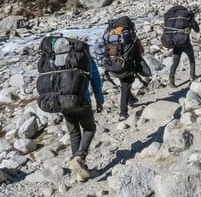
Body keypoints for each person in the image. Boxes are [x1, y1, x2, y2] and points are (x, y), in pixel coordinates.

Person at [36, 36, 104, 182]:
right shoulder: (83, 57)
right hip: (81, 100)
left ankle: (80, 171)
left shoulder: (54, 60)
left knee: (74, 134)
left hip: (62, 102)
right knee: (90, 128)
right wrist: (100, 101)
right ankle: (80, 157)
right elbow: (95, 80)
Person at [100, 16, 147, 121]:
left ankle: (131, 100)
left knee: (124, 83)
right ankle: (123, 113)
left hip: (111, 64)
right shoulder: (128, 36)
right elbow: (137, 52)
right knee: (126, 85)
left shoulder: (110, 34)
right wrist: (138, 66)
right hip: (124, 65)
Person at [164, 6, 200, 88]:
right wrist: (193, 20)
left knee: (175, 62)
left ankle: (171, 80)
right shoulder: (188, 16)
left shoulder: (174, 18)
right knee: (191, 58)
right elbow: (197, 29)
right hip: (185, 42)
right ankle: (192, 76)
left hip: (175, 42)